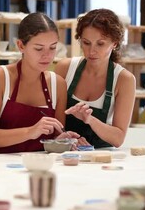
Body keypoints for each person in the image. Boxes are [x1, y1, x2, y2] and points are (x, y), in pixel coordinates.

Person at [0, 12, 79, 154]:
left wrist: (64, 140)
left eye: (52, 47)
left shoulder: (58, 84)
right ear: (21, 46)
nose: (47, 55)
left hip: (40, 165)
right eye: (38, 48)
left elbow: (56, 135)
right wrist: (30, 132)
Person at [55, 8, 136, 148]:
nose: (91, 51)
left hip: (101, 158)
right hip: (65, 153)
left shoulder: (124, 80)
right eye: (86, 43)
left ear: (115, 43)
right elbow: (53, 120)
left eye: (100, 44)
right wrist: (65, 139)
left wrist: (89, 119)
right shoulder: (65, 68)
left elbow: (118, 139)